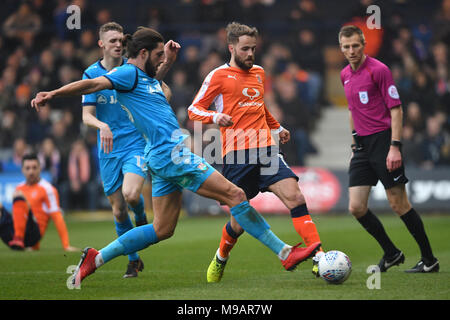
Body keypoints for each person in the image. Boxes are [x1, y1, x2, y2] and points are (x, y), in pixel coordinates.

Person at [31, 26, 321, 287]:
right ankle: (285, 252)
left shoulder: (143, 78)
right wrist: (52, 94)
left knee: (162, 229)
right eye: (157, 55)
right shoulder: (128, 74)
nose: (161, 59)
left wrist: (167, 59)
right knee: (236, 196)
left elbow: (153, 79)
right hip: (171, 155)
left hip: (159, 158)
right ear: (143, 53)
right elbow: (92, 85)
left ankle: (96, 258)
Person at [188, 22, 324, 283]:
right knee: (239, 223)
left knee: (295, 197)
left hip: (265, 150)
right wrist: (216, 116)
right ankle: (221, 257)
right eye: (245, 49)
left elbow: (259, 107)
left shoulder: (260, 73)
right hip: (236, 154)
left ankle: (320, 257)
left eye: (253, 48)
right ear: (231, 48)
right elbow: (194, 110)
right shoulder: (217, 76)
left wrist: (277, 126)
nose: (251, 54)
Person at [339, 25, 439, 273]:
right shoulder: (344, 75)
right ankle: (392, 253)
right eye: (346, 47)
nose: (351, 51)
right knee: (356, 207)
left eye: (355, 45)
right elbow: (353, 110)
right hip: (362, 145)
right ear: (341, 48)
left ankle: (429, 260)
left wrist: (395, 147)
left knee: (398, 204)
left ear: (363, 45)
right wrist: (354, 143)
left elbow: (396, 109)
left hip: (384, 142)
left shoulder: (379, 70)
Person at [81, 22, 150, 278]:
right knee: (119, 210)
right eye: (113, 41)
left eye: (121, 40)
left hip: (135, 143)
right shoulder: (90, 74)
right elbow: (87, 116)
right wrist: (102, 126)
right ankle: (133, 260)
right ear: (101, 44)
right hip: (108, 148)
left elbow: (156, 88)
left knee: (132, 195)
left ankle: (141, 215)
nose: (119, 44)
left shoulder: (132, 71)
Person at [2, 153, 79, 252]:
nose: (31, 171)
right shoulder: (19, 187)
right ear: (22, 170)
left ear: (40, 169)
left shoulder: (47, 189)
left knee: (19, 197)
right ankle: (18, 240)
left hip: (33, 235)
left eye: (34, 168)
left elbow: (57, 216)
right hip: (16, 234)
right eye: (28, 168)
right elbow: (17, 216)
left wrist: (66, 245)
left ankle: (25, 242)